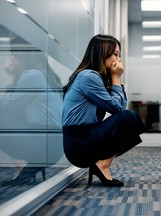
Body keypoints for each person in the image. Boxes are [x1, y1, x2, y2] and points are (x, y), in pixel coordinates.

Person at [62, 34, 145, 187]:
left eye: (119, 55)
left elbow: (120, 107)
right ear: (102, 53)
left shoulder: (97, 78)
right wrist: (116, 78)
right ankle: (102, 165)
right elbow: (118, 109)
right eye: (115, 54)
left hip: (86, 136)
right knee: (128, 118)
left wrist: (114, 79)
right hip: (78, 143)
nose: (118, 60)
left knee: (131, 120)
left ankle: (101, 164)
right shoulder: (88, 76)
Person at [0, 36, 63, 184]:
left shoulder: (31, 75)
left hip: (44, 143)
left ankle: (20, 163)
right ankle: (23, 165)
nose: (11, 58)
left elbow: (8, 106)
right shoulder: (47, 75)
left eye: (13, 54)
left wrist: (11, 77)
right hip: (54, 143)